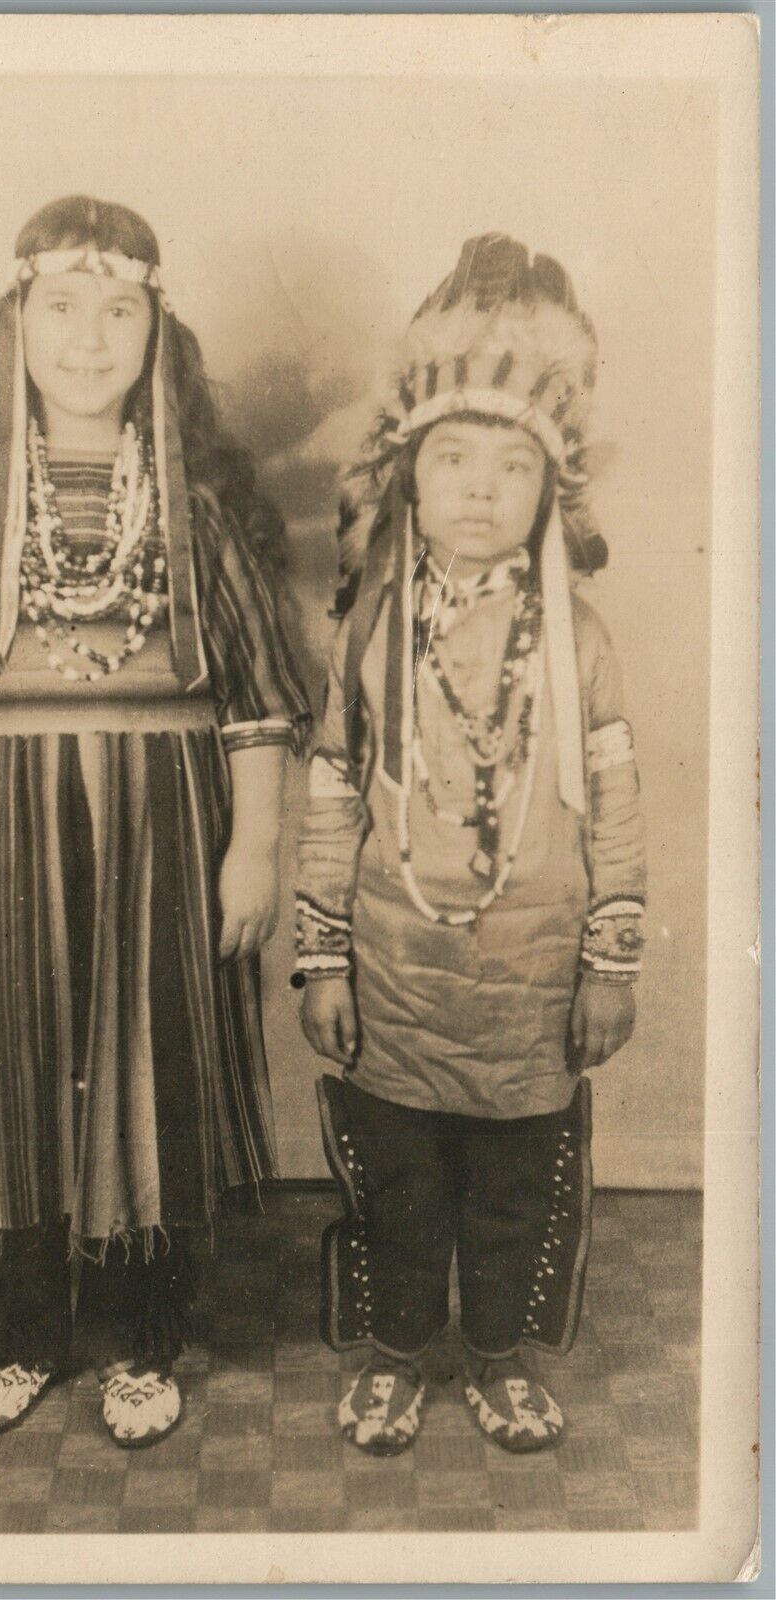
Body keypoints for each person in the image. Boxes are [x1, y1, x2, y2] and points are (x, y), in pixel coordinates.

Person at [0, 195, 311, 1444]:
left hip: (163, 836)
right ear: (14, 323)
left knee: (156, 1063)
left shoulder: (193, 503)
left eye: (120, 312)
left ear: (158, 333)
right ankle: (24, 1324)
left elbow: (256, 706)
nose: (90, 338)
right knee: (7, 1060)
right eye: (62, 308)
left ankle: (147, 1329)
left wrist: (252, 845)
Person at [294, 234, 646, 1457]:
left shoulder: (580, 641)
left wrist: (610, 964)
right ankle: (395, 1355)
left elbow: (617, 811)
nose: (482, 488)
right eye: (453, 457)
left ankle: (495, 1358)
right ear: (407, 476)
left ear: (555, 490)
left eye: (512, 464)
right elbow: (332, 793)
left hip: (530, 986)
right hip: (395, 974)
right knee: (398, 1182)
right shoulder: (374, 630)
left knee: (510, 1191)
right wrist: (323, 958)